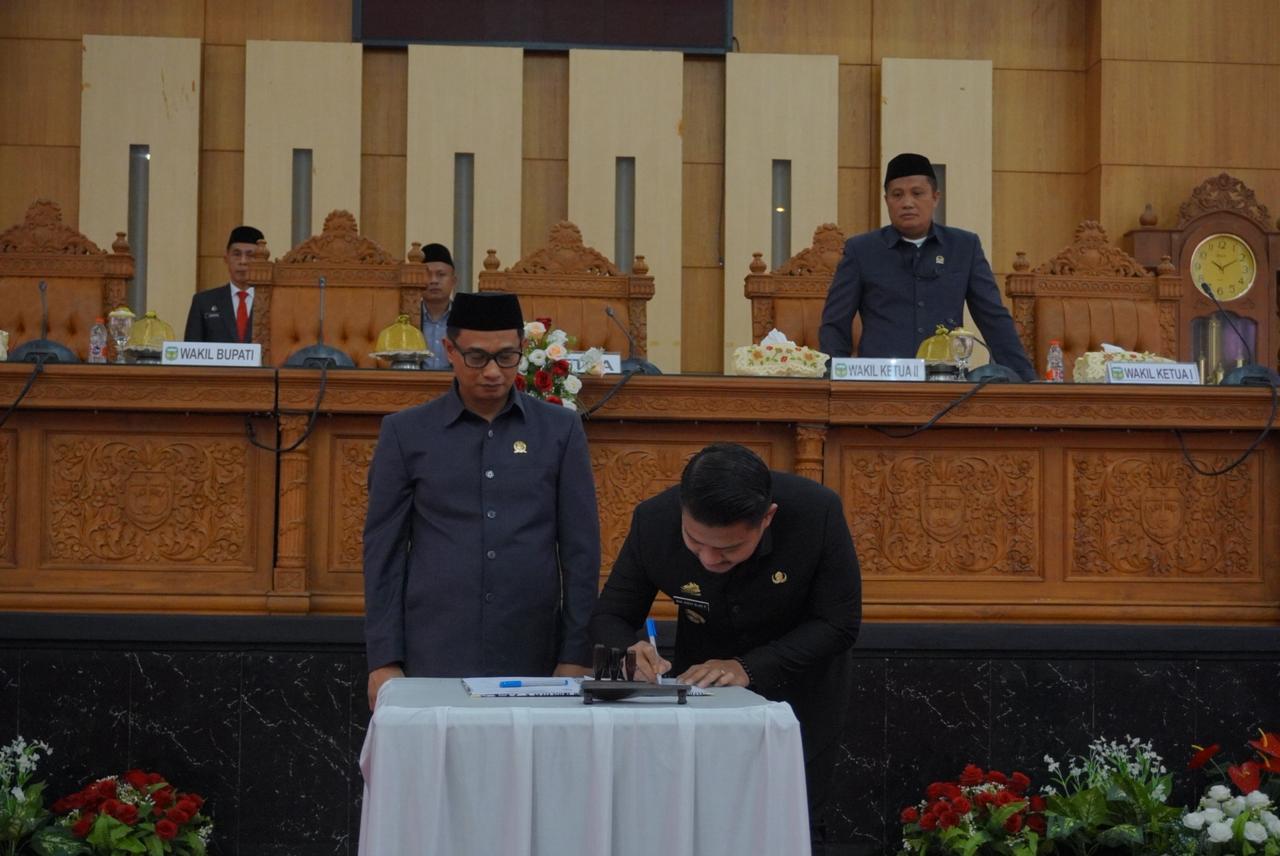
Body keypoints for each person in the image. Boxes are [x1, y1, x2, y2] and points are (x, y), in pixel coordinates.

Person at [589, 443, 860, 845]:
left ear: (767, 518)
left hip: (800, 690)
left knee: (793, 820)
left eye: (728, 549)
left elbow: (839, 624)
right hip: (703, 696)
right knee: (698, 819)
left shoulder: (816, 512)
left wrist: (747, 667)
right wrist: (629, 651)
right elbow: (609, 616)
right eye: (694, 541)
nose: (708, 559)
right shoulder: (653, 520)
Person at [364, 291, 600, 710]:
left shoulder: (559, 430)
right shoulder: (406, 433)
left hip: (533, 649)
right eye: (477, 357)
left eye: (506, 357)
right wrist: (384, 659)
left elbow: (581, 551)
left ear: (522, 349)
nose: (492, 371)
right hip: (434, 648)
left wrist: (576, 653)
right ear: (449, 350)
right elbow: (384, 552)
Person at [818, 152, 1036, 380]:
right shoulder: (862, 250)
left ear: (935, 198)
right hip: (880, 382)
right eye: (897, 195)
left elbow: (993, 318)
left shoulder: (964, 247)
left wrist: (1026, 380)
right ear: (887, 201)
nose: (907, 203)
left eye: (917, 193)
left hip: (945, 381)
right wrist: (834, 380)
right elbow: (835, 324)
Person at [184, 225, 263, 344]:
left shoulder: (273, 303)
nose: (243, 261)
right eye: (236, 254)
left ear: (262, 261)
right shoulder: (203, 302)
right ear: (226, 258)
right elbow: (191, 349)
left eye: (250, 255)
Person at [419, 242, 456, 370]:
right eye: (427, 274)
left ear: (453, 281)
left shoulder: (465, 317)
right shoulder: (407, 317)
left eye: (441, 275)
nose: (434, 280)